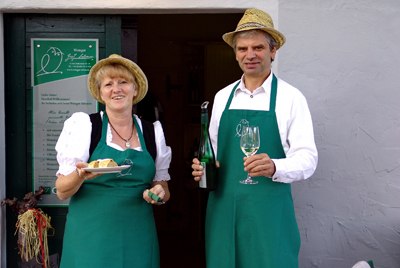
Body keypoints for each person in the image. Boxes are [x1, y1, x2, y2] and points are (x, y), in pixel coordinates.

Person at [192, 8, 318, 268]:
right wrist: (203, 167)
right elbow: (213, 152)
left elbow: (308, 158)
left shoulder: (290, 98)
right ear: (235, 53)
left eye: (258, 47)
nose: (250, 55)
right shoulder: (222, 96)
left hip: (269, 212)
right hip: (224, 209)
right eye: (242, 48)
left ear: (273, 52)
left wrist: (275, 166)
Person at [55, 54, 172, 268]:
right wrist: (80, 175)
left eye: (123, 82)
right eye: (108, 84)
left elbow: (161, 183)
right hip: (91, 236)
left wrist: (159, 193)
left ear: (135, 90)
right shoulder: (86, 127)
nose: (116, 89)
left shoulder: (152, 132)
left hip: (138, 234)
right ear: (101, 93)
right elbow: (62, 191)